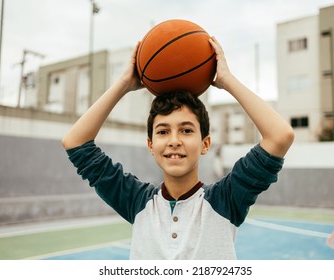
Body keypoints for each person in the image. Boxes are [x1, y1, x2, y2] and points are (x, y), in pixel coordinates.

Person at [62, 37, 294, 259]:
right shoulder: (136, 201)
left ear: (205, 144)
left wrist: (227, 80)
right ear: (151, 146)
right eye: (163, 131)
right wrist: (123, 84)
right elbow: (75, 142)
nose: (174, 140)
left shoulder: (227, 199)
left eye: (186, 130)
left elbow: (279, 136)